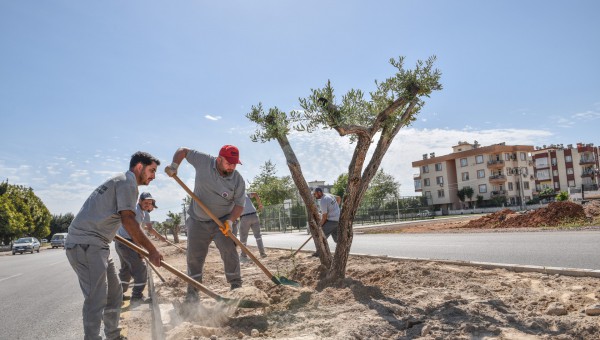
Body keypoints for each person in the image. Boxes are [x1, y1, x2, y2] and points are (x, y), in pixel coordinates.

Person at [65, 151, 163, 340]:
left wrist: (138, 246)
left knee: (114, 294)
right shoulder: (128, 183)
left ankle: (113, 335)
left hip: (98, 244)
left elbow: (106, 218)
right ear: (139, 167)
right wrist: (152, 250)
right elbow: (128, 219)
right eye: (151, 170)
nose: (153, 176)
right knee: (96, 298)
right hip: (86, 244)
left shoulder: (121, 181)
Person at [165, 145, 246, 303]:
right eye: (229, 163)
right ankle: (193, 291)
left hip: (223, 222)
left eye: (235, 163)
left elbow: (239, 205)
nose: (232, 166)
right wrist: (174, 166)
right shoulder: (204, 161)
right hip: (198, 220)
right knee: (194, 256)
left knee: (229, 251)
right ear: (219, 159)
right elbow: (183, 151)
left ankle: (236, 286)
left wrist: (230, 221)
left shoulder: (237, 179)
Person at [115, 192, 158, 303]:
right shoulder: (137, 211)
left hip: (121, 242)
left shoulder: (140, 211)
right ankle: (137, 297)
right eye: (145, 202)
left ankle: (118, 295)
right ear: (139, 201)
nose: (148, 205)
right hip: (127, 243)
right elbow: (133, 232)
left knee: (126, 270)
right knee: (140, 269)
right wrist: (139, 250)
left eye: (149, 203)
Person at [235, 192, 267, 260]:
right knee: (258, 236)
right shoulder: (245, 194)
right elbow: (255, 194)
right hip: (255, 216)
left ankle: (243, 255)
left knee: (243, 238)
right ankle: (262, 253)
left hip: (245, 217)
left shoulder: (234, 198)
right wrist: (260, 204)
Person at [311, 187, 341, 257]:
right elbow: (339, 198)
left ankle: (319, 253)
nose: (315, 196)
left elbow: (324, 217)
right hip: (338, 220)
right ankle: (340, 253)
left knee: (321, 235)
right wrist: (336, 209)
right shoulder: (329, 195)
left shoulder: (323, 200)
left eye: (315, 194)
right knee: (337, 239)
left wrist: (319, 226)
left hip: (331, 221)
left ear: (319, 192)